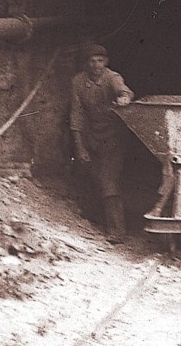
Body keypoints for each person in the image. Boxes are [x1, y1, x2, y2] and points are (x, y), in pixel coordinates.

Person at [70, 41, 133, 244]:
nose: (96, 65)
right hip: (91, 135)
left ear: (106, 62)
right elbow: (77, 114)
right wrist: (80, 147)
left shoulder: (111, 78)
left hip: (113, 137)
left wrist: (124, 98)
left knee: (109, 181)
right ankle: (96, 220)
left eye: (100, 61)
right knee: (90, 177)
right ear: (85, 64)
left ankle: (118, 231)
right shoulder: (78, 82)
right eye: (91, 61)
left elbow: (124, 91)